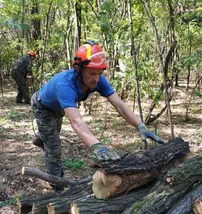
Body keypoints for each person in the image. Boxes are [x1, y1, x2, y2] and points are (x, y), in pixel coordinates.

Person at [30, 41, 163, 190]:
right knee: (54, 149)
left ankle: (41, 137)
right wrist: (97, 146)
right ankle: (58, 187)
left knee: (51, 134)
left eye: (100, 73)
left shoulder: (98, 80)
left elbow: (119, 105)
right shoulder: (65, 85)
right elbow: (76, 121)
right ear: (79, 69)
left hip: (58, 108)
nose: (96, 78)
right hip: (43, 107)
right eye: (92, 73)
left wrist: (140, 125)